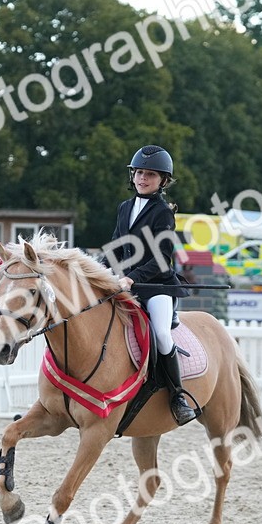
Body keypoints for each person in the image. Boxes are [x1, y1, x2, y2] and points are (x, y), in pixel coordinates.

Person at [101, 145, 195, 425]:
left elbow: (161, 259)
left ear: (163, 180)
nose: (143, 178)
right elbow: (116, 249)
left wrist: (132, 277)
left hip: (157, 287)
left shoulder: (163, 212)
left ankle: (177, 396)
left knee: (162, 335)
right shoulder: (125, 208)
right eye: (139, 172)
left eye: (150, 174)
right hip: (125, 285)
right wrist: (95, 271)